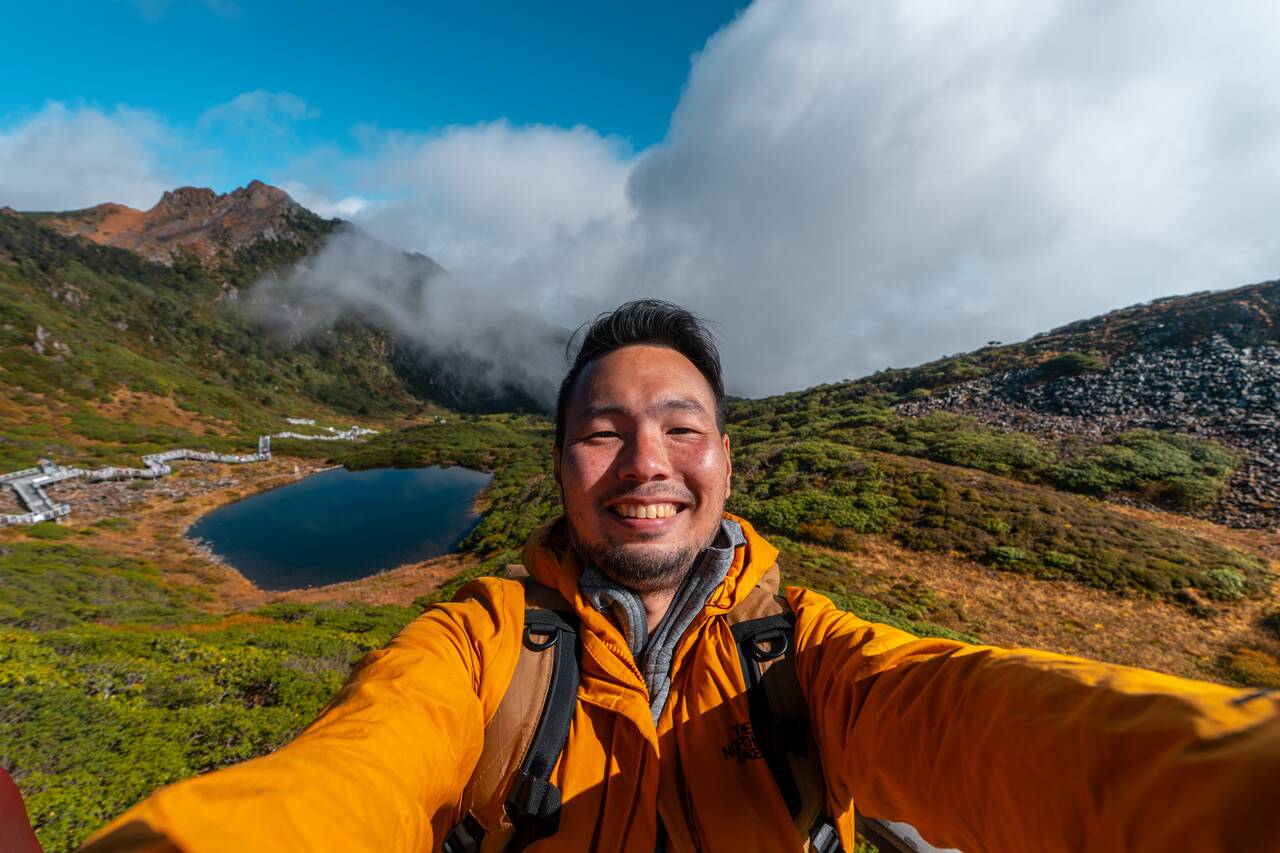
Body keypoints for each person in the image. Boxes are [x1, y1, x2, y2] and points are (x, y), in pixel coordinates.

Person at [84, 300, 1280, 852]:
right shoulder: (476, 647)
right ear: (555, 466)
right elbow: (344, 782)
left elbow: (1001, 723)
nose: (644, 462)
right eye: (603, 431)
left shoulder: (809, 653)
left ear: (724, 458)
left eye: (679, 426)